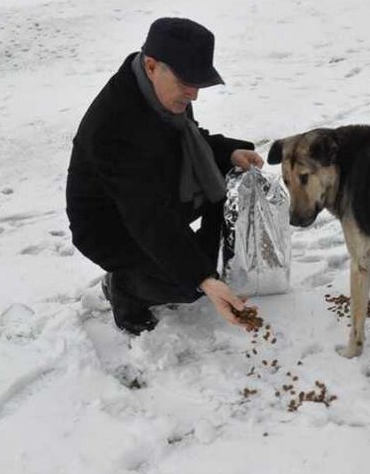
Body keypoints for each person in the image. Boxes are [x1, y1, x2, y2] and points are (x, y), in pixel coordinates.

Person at [66, 17, 264, 334]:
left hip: (157, 193)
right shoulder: (113, 126)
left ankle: (192, 266)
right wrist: (201, 278)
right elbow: (148, 215)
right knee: (187, 284)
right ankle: (126, 288)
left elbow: (190, 139)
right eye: (187, 82)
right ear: (151, 65)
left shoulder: (162, 95)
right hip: (110, 226)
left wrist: (227, 153)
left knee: (225, 181)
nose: (194, 95)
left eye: (198, 84)